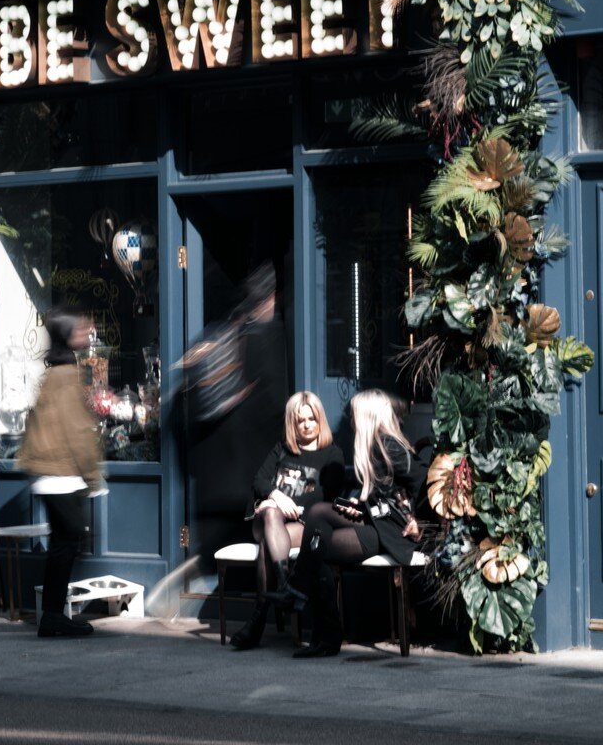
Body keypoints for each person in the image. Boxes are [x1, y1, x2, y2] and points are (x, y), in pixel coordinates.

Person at [268, 389, 427, 658]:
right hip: (375, 525)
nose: (351, 421)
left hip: (388, 535)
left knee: (318, 547)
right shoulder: (378, 445)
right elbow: (384, 495)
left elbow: (423, 478)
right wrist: (362, 506)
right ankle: (303, 600)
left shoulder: (388, 446)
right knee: (318, 518)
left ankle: (305, 604)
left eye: (354, 415)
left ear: (367, 417)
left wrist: (418, 521)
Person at [182, 262, 291, 568]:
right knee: (255, 545)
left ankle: (214, 584)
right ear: (272, 297)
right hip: (251, 466)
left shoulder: (215, 339)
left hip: (213, 473)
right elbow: (273, 404)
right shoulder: (267, 338)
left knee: (221, 553)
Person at [228, 390, 345, 650]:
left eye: (312, 419)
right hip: (268, 520)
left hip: (302, 526)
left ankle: (257, 622)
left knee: (266, 547)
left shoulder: (332, 454)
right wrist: (276, 496)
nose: (307, 425)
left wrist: (289, 505)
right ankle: (284, 585)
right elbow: (258, 480)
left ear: (320, 420)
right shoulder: (282, 449)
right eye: (301, 420)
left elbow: (328, 494)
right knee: (270, 514)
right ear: (293, 423)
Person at [17, 307, 108, 639]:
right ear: (68, 334)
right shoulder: (67, 374)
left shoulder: (54, 371)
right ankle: (53, 616)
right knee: (68, 541)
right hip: (60, 473)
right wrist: (94, 477)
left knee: (64, 541)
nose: (88, 334)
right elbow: (77, 432)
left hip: (48, 471)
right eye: (82, 330)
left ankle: (53, 615)